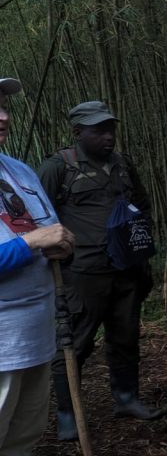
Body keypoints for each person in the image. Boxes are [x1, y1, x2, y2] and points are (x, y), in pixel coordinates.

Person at [37, 101, 161, 442]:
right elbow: (36, 218)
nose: (108, 136)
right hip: (83, 272)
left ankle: (126, 398)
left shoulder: (123, 164)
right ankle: (66, 414)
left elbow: (143, 204)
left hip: (126, 269)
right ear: (78, 133)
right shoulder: (58, 167)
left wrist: (141, 242)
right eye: (99, 130)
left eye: (111, 129)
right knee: (75, 343)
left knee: (125, 335)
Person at [0, 77, 75, 455]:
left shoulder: (21, 171)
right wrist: (31, 243)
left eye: (3, 106)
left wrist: (60, 246)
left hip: (35, 335)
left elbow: (48, 232)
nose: (2, 116)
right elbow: (32, 240)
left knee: (22, 440)